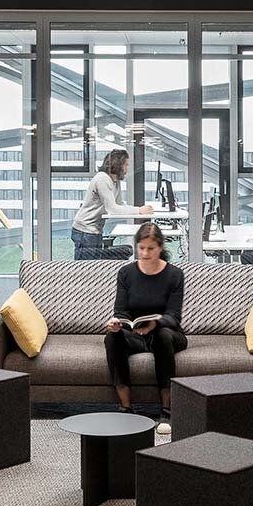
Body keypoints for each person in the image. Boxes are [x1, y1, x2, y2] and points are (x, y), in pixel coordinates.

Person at [103, 222, 186, 432]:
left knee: (163, 336)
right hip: (135, 334)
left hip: (165, 332)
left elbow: (174, 317)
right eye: (141, 248)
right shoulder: (126, 273)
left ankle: (166, 410)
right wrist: (116, 323)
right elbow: (121, 311)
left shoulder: (175, 275)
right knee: (112, 338)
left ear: (160, 248)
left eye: (150, 248)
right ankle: (126, 407)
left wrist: (154, 323)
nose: (145, 253)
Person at [71, 148, 153, 258]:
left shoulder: (115, 181)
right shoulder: (102, 179)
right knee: (84, 271)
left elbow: (119, 204)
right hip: (85, 231)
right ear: (118, 165)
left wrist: (140, 210)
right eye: (126, 165)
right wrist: (139, 211)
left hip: (95, 230)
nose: (128, 168)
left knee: (94, 268)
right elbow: (112, 209)